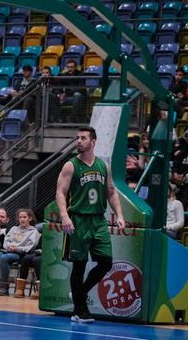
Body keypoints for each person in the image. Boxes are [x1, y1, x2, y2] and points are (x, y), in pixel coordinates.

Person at [55, 126, 126, 323]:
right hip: (78, 219)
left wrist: (119, 215)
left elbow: (111, 192)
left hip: (98, 219)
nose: (78, 141)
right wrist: (64, 216)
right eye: (77, 138)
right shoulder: (71, 165)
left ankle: (80, 293)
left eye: (83, 138)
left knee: (106, 263)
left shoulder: (103, 166)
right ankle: (79, 310)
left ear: (93, 142)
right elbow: (60, 192)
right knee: (79, 265)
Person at [0, 209, 40, 296]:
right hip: (7, 250)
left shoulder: (34, 232)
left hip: (19, 254)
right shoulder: (13, 229)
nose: (22, 219)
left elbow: (30, 247)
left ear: (30, 218)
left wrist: (17, 248)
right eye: (20, 217)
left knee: (4, 258)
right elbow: (6, 241)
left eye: (24, 217)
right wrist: (8, 246)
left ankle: (4, 287)